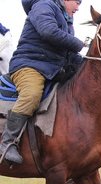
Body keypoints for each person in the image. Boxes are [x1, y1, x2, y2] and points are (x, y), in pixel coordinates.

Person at [0, 0, 85, 165]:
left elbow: (66, 51)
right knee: (31, 95)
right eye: (77, 2)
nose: (78, 7)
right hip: (29, 66)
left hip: (51, 69)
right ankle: (7, 143)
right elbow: (48, 31)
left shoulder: (66, 19)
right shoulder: (43, 5)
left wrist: (85, 64)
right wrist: (79, 44)